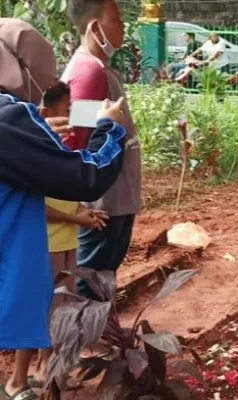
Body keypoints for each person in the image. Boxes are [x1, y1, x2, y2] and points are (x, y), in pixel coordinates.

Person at [0, 18, 127, 400]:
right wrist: (110, 129)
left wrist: (32, 132)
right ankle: (26, 377)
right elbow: (85, 177)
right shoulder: (11, 118)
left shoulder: (18, 121)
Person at [26, 82, 110, 388]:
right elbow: (37, 206)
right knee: (47, 305)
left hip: (67, 237)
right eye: (67, 110)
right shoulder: (32, 154)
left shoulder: (61, 148)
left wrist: (82, 212)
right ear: (47, 113)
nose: (73, 117)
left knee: (63, 305)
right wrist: (76, 218)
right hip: (46, 239)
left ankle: (56, 365)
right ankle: (41, 366)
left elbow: (66, 193)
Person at [64, 0, 142, 301]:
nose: (122, 26)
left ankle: (98, 337)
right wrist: (82, 205)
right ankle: (83, 344)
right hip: (103, 201)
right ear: (96, 27)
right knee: (92, 280)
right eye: (116, 19)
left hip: (116, 195)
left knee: (103, 276)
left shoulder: (99, 68)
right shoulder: (88, 71)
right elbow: (75, 139)